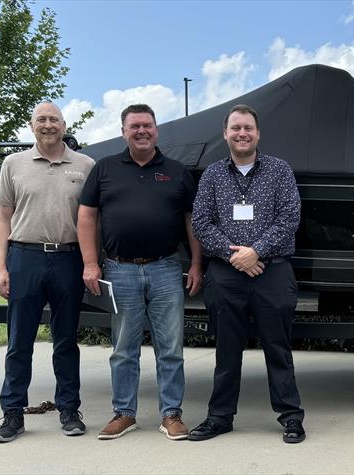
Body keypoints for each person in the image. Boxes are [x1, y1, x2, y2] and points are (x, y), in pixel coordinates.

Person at [77, 103, 202, 441]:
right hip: (120, 270)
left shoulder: (177, 171)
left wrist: (195, 262)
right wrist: (90, 262)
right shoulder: (104, 168)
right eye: (135, 126)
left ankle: (172, 415)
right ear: (124, 131)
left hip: (165, 269)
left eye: (147, 125)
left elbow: (193, 222)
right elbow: (86, 217)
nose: (142, 131)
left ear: (156, 130)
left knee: (171, 348)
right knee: (123, 349)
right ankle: (124, 413)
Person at [191, 104, 305, 444]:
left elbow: (290, 218)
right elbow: (201, 221)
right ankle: (220, 417)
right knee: (226, 351)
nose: (242, 133)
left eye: (249, 128)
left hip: (273, 272)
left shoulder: (279, 171)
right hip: (226, 275)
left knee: (278, 348)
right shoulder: (212, 175)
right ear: (225, 133)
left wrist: (256, 252)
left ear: (258, 134)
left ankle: (291, 416)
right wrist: (236, 255)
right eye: (236, 128)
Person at [0, 101, 94, 443]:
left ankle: (68, 409)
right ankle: (12, 414)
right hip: (25, 257)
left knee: (66, 340)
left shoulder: (85, 165)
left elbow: (93, 218)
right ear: (32, 125)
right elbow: (3, 218)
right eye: (41, 120)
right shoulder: (13, 164)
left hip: (68, 259)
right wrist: (1, 267)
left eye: (54, 119)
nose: (48, 124)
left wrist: (92, 262)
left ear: (64, 125)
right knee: (19, 340)